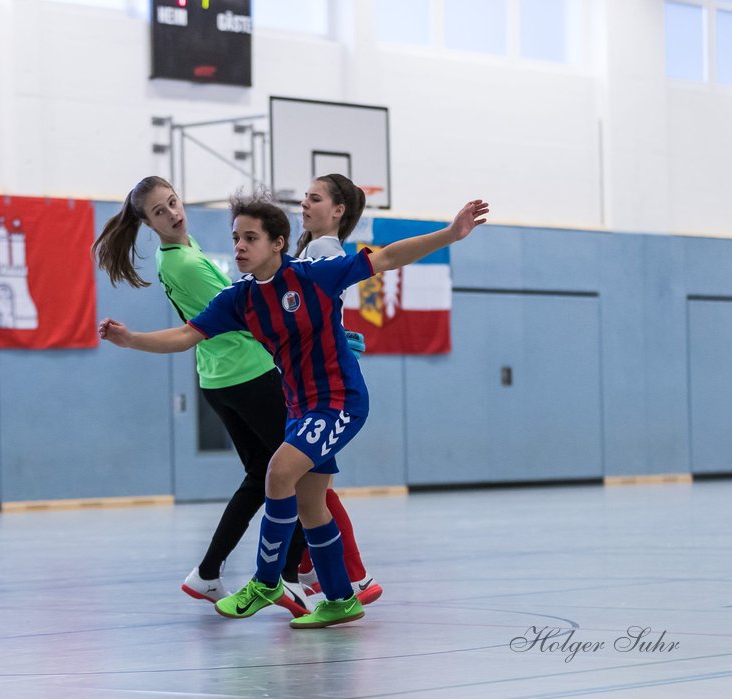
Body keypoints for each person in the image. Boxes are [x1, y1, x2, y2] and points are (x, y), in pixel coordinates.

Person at [98, 189, 490, 628]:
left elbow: (387, 258)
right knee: (311, 505)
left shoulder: (315, 275)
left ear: (278, 243)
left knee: (278, 472)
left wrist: (453, 233)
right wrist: (131, 339)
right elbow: (186, 336)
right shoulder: (239, 298)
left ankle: (267, 581)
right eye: (236, 238)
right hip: (300, 407)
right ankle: (341, 598)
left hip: (340, 401)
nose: (240, 247)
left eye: (251, 238)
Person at [92, 176, 313, 616]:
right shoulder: (186, 265)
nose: (173, 213)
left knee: (259, 478)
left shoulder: (176, 254)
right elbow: (244, 315)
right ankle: (287, 578)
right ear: (148, 222)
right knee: (303, 472)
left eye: (173, 202)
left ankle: (208, 573)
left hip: (219, 379)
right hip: (249, 377)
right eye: (160, 211)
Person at [293, 173, 381, 604]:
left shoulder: (320, 249)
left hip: (320, 385)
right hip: (315, 378)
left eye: (314, 198)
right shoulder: (319, 249)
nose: (305, 205)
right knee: (311, 483)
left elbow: (311, 311)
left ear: (338, 210)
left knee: (309, 484)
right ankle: (316, 568)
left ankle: (352, 577)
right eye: (304, 198)